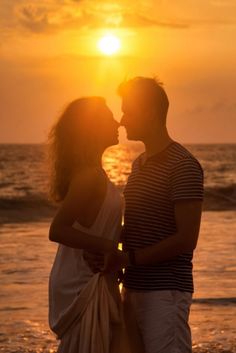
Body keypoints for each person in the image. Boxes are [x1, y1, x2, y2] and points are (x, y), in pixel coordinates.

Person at [85, 77, 204, 353]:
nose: (123, 120)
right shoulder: (139, 165)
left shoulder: (183, 166)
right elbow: (139, 228)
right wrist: (105, 249)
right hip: (133, 288)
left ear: (149, 112)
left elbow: (186, 239)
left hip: (165, 293)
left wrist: (127, 259)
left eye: (128, 111)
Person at [47, 97, 126, 353]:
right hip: (82, 281)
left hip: (94, 275)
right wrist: (110, 247)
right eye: (108, 117)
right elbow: (58, 230)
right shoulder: (88, 177)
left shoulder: (95, 173)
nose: (117, 123)